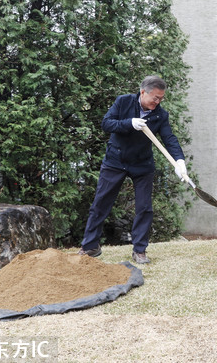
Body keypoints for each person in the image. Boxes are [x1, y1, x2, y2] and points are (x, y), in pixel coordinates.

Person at [78, 76, 189, 264]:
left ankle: (139, 250)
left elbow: (169, 139)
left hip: (142, 165)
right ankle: (90, 246)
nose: (158, 102)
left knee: (144, 208)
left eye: (161, 98)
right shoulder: (123, 102)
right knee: (100, 204)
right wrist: (129, 123)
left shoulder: (160, 115)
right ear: (143, 92)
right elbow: (107, 123)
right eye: (155, 98)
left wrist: (179, 161)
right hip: (115, 161)